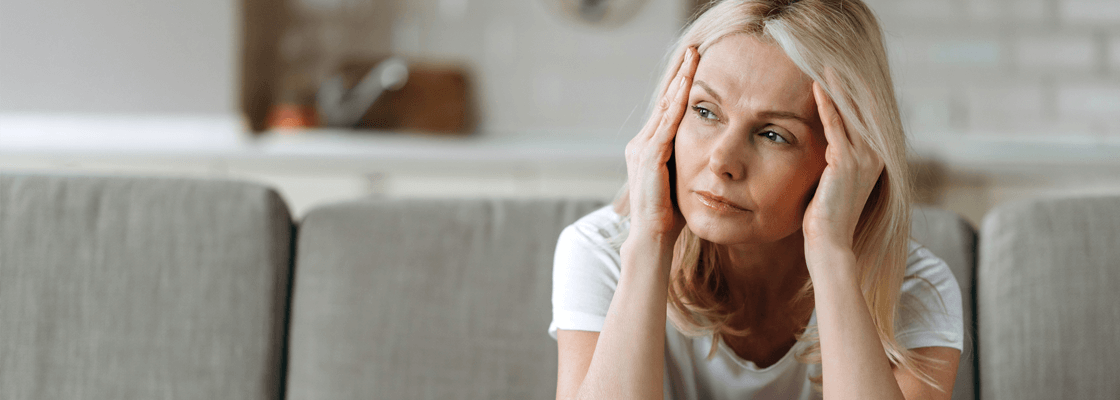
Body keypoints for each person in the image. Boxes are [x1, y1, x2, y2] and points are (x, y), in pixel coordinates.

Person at [548, 0, 964, 399]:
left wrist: (831, 253)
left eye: (773, 134)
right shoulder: (601, 253)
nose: (722, 161)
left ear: (848, 156)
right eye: (706, 111)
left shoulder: (915, 290)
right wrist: (650, 243)